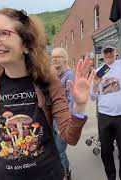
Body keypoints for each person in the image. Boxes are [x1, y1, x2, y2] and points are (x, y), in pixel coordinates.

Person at [0, 8, 95, 180]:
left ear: (26, 44)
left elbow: (70, 137)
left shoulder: (49, 82)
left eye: (3, 33)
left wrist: (80, 105)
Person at [90, 40, 121, 180]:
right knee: (106, 151)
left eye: (111, 51)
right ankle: (111, 177)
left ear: (116, 52)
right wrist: (95, 84)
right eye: (105, 51)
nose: (108, 54)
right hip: (105, 116)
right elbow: (93, 97)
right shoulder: (98, 71)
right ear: (102, 54)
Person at [51, 47, 74, 180]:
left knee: (59, 151)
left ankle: (65, 174)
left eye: (58, 57)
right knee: (53, 150)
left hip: (62, 119)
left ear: (64, 59)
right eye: (53, 57)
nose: (54, 59)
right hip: (51, 118)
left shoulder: (70, 75)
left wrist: (65, 122)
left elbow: (71, 100)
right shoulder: (53, 75)